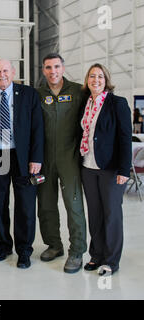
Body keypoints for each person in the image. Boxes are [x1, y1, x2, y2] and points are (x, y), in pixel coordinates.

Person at [0, 59, 44, 268]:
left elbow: (37, 128)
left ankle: (24, 250)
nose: (2, 74)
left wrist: (36, 158)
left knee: (25, 205)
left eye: (5, 70)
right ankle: (4, 246)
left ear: (13, 72)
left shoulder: (29, 94)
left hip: (22, 157)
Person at [36, 53, 87, 273]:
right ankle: (54, 245)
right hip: (45, 158)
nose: (53, 71)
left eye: (56, 66)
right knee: (46, 205)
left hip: (70, 157)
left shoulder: (78, 91)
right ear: (43, 70)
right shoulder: (37, 94)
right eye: (48, 67)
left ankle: (76, 251)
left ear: (63, 68)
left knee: (73, 205)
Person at [80, 63, 131, 276]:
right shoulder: (86, 103)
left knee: (111, 214)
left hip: (110, 168)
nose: (96, 80)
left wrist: (124, 170)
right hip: (88, 166)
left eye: (100, 76)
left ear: (106, 79)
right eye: (92, 76)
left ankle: (111, 260)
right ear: (87, 80)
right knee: (95, 214)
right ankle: (96, 254)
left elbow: (124, 137)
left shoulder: (117, 103)